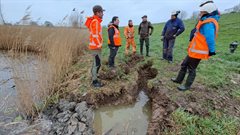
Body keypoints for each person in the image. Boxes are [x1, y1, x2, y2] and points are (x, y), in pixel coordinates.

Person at [171, 0, 220, 91]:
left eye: (202, 12)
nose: (200, 13)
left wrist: (212, 50)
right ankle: (178, 80)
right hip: (194, 50)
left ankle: (187, 86)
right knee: (184, 64)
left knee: (191, 68)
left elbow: (210, 38)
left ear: (207, 12)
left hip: (199, 50)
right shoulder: (204, 21)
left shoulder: (208, 23)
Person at [85, 5, 105, 88]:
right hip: (95, 47)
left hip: (95, 46)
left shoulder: (95, 21)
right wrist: (99, 45)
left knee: (97, 63)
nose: (103, 14)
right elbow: (95, 35)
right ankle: (94, 81)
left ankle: (95, 75)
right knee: (96, 63)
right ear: (97, 13)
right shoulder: (96, 22)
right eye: (102, 12)